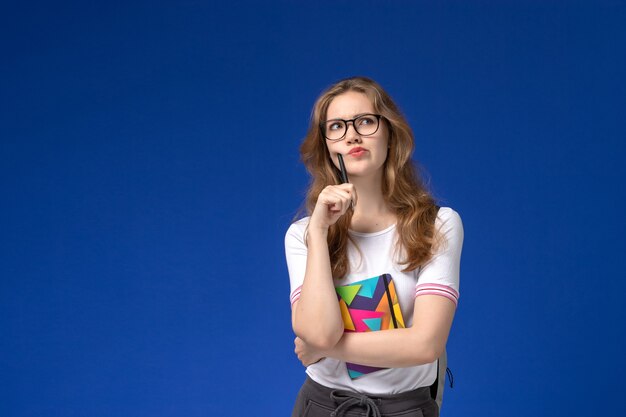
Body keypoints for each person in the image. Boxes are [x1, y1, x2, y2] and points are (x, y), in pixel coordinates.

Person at [285, 76, 464, 417]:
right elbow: (316, 331)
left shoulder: (437, 225)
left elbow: (426, 344)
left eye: (365, 121)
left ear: (390, 133)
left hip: (406, 409)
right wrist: (320, 232)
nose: (352, 134)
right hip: (322, 407)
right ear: (325, 145)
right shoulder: (303, 234)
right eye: (337, 126)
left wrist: (325, 349)